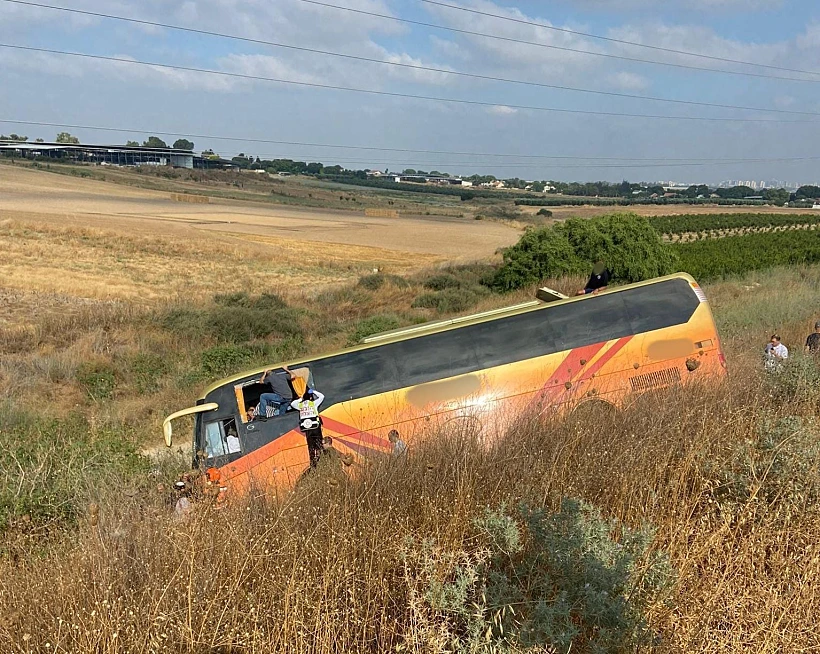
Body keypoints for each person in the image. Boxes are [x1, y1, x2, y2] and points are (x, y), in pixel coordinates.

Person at [291, 388, 326, 468]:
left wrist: (300, 399)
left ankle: (313, 464)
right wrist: (313, 391)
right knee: (319, 445)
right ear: (310, 397)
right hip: (316, 428)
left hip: (308, 430)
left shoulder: (300, 406)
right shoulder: (313, 404)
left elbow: (292, 404)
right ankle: (322, 460)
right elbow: (322, 396)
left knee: (311, 447)